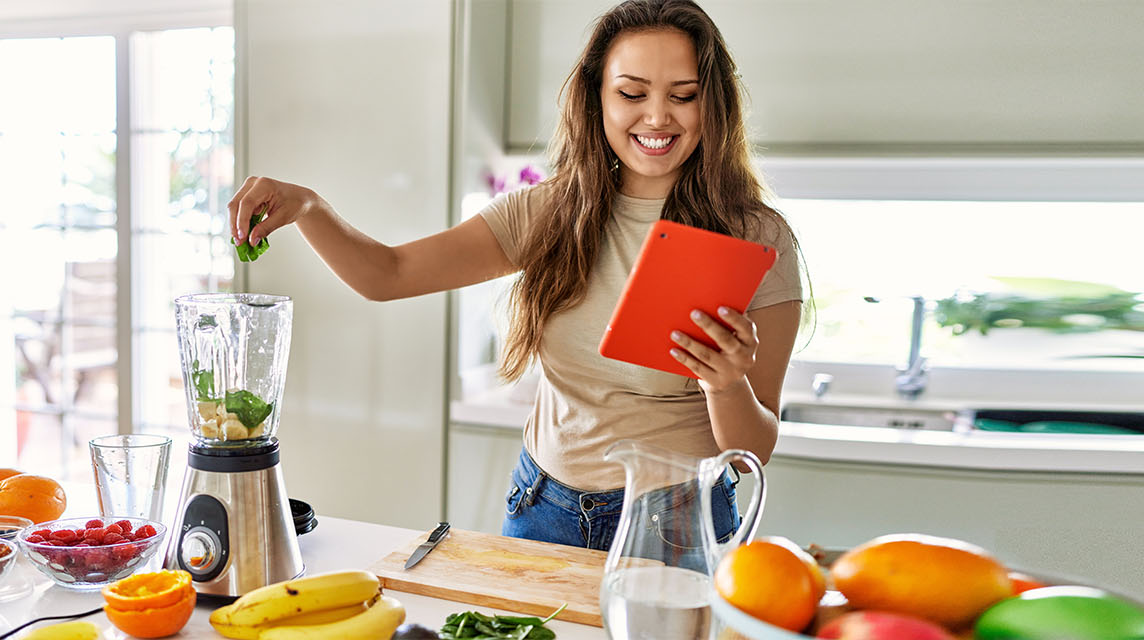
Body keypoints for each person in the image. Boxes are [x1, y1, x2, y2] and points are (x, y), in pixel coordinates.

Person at [225, 0, 803, 550]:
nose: (657, 117)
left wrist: (726, 384)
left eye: (684, 96)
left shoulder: (753, 237)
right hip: (543, 506)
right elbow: (389, 274)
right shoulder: (549, 212)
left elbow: (754, 446)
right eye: (632, 93)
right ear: (597, 97)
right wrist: (309, 209)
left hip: (674, 523)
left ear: (714, 105)